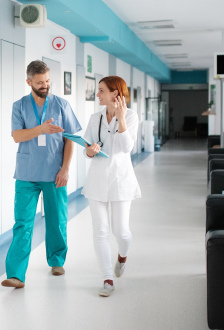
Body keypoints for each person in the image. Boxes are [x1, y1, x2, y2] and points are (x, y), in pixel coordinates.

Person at [1, 60, 82, 289]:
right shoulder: (19, 106)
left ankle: (56, 260)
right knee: (23, 223)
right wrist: (41, 129)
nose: (45, 85)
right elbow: (17, 136)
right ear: (29, 82)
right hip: (27, 173)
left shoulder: (62, 105)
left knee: (57, 220)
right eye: (40, 82)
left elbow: (71, 140)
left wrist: (65, 169)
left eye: (47, 81)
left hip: (54, 171)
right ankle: (16, 274)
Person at [81, 76, 141, 297]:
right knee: (100, 232)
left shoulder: (132, 116)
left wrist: (121, 118)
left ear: (116, 94)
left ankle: (122, 256)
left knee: (121, 231)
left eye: (101, 91)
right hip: (96, 180)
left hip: (120, 180)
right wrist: (90, 150)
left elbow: (127, 148)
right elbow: (86, 148)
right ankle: (107, 279)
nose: (97, 94)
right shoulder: (95, 117)